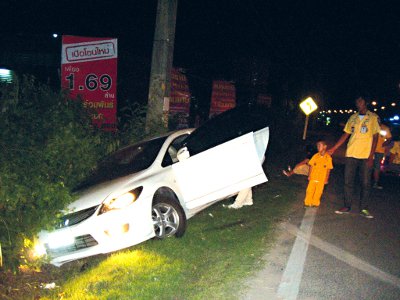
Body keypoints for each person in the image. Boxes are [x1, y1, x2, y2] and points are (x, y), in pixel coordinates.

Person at [328, 96, 380, 219]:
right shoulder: (353, 118)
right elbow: (346, 134)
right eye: (357, 101)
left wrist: (371, 156)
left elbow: (376, 137)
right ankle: (347, 206)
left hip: (365, 155)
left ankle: (364, 208)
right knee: (348, 181)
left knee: (366, 183)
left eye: (361, 101)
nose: (358, 103)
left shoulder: (373, 117)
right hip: (351, 153)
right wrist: (334, 148)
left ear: (366, 102)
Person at [304, 140, 333, 207]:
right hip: (313, 177)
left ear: (325, 147)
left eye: (320, 145)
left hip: (321, 178)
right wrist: (309, 175)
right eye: (317, 146)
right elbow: (311, 166)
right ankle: (307, 202)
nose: (318, 147)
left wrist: (326, 179)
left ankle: (315, 203)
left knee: (319, 191)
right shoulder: (315, 156)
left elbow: (328, 169)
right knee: (309, 190)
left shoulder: (328, 158)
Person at [372, 122, 392, 189]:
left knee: (377, 167)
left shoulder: (385, 128)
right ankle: (366, 181)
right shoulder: (371, 125)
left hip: (379, 150)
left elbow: (389, 138)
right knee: (367, 166)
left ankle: (375, 183)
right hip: (369, 149)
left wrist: (384, 144)